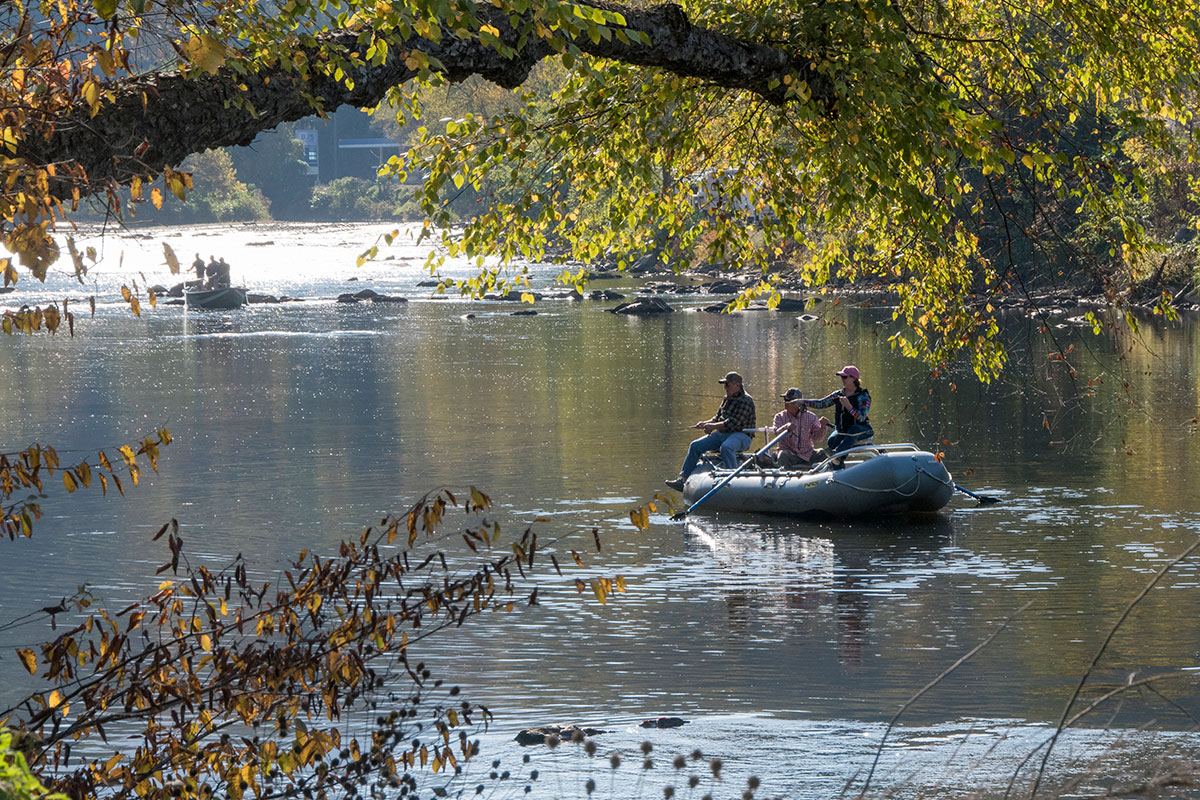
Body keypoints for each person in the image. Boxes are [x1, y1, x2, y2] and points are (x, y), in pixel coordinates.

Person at [664, 371, 756, 491]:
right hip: (722, 434)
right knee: (695, 446)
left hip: (741, 435)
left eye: (727, 385)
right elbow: (717, 418)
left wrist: (712, 427)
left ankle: (733, 480)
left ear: (737, 385)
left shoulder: (746, 401)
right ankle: (683, 479)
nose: (725, 388)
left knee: (727, 447)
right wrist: (706, 423)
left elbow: (733, 423)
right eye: (724, 385)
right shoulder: (726, 399)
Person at [803, 366, 873, 455]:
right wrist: (802, 402)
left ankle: (837, 456)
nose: (842, 379)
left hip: (862, 430)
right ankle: (837, 465)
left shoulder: (863, 396)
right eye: (841, 377)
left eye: (844, 377)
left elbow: (862, 418)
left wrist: (849, 407)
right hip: (843, 430)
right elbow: (821, 403)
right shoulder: (838, 394)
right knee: (831, 441)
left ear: (854, 378)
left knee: (853, 430)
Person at [765, 388, 830, 469]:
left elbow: (818, 438)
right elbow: (777, 434)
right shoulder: (779, 417)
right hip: (790, 454)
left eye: (789, 401)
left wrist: (823, 427)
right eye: (785, 400)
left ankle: (821, 477)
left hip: (808, 454)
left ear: (798, 403)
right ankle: (784, 477)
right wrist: (786, 428)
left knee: (822, 453)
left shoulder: (811, 417)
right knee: (783, 455)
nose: (785, 403)